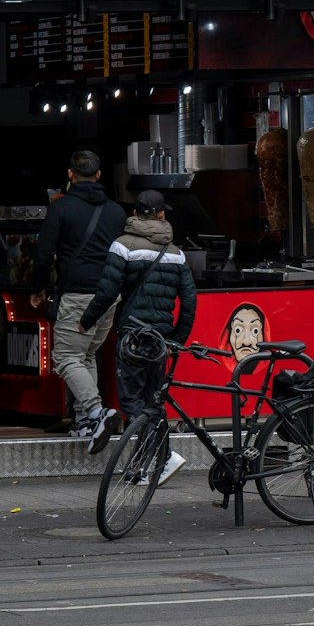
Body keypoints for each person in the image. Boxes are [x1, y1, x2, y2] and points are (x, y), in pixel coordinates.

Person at [79, 190, 197, 473]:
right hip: (159, 340)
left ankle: (162, 455)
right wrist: (175, 340)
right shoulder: (177, 254)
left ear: (135, 213)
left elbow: (108, 292)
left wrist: (87, 320)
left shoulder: (122, 246)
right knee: (152, 400)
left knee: (131, 400)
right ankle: (151, 463)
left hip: (132, 337)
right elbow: (190, 302)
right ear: (161, 215)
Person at [33, 150, 128, 445]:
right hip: (109, 296)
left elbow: (44, 254)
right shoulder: (116, 212)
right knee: (86, 355)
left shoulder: (61, 209)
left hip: (77, 296)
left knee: (65, 357)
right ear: (99, 175)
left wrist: (37, 288)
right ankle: (85, 422)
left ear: (70, 175)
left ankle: (97, 412)